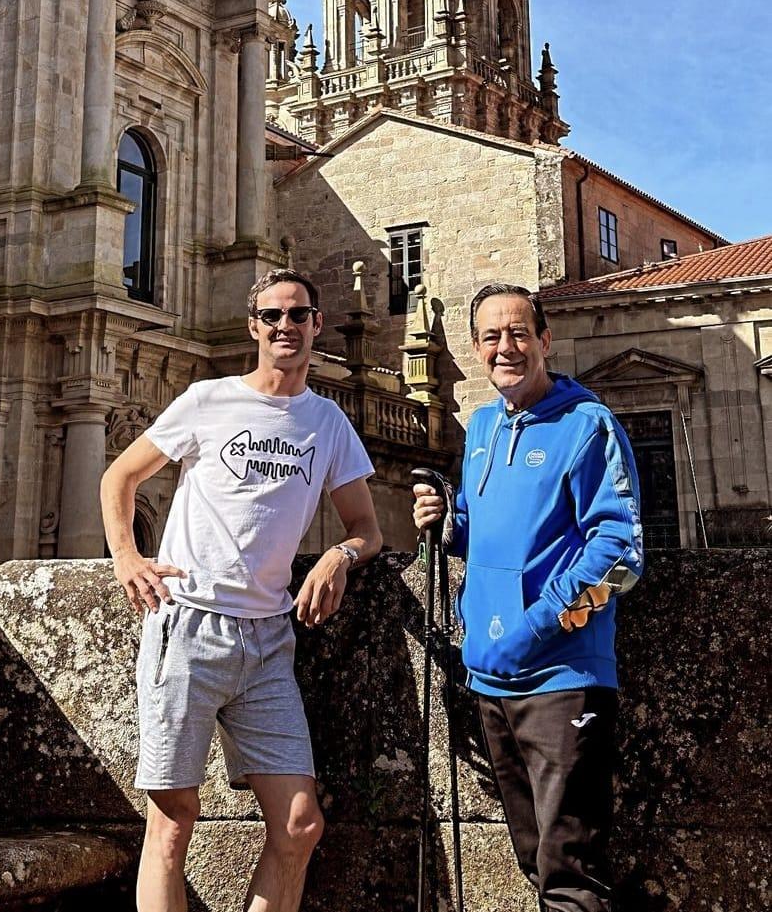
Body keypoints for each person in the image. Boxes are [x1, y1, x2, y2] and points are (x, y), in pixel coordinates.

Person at [101, 268, 382, 912]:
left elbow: (367, 529)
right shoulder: (208, 400)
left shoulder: (327, 422)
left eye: (298, 314)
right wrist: (126, 557)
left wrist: (338, 555)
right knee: (173, 819)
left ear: (316, 324)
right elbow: (120, 477)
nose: (286, 326)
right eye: (272, 316)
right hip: (187, 625)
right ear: (254, 327)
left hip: (269, 641)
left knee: (299, 824)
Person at [413, 282, 643, 912]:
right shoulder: (482, 427)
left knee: (570, 875)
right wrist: (446, 521)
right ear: (476, 348)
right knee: (533, 861)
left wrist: (537, 627)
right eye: (491, 336)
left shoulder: (588, 425)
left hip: (563, 681)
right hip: (490, 680)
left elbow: (620, 556)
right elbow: (477, 530)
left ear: (545, 340)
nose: (505, 347)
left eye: (519, 333)